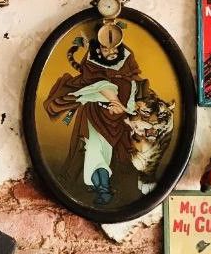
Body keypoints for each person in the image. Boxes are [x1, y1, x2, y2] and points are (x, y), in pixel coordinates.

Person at [43, 34, 144, 207]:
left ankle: (101, 186)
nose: (111, 52)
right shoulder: (95, 75)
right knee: (94, 153)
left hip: (114, 125)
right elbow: (96, 89)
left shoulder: (129, 81)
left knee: (104, 155)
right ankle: (104, 190)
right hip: (94, 118)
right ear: (98, 50)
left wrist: (123, 109)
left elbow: (130, 105)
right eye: (105, 49)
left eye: (114, 49)